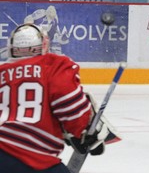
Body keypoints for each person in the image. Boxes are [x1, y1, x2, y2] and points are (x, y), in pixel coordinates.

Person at [0, 23, 120, 172]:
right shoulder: (53, 66)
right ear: (43, 45)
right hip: (34, 159)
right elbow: (70, 108)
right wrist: (82, 132)